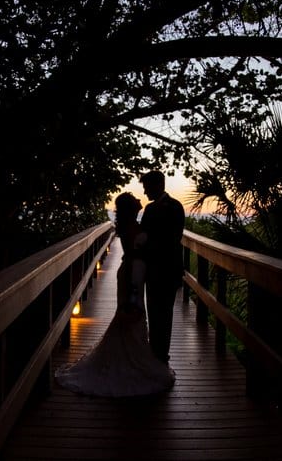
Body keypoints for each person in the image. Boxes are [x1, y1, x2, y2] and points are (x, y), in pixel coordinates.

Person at [54, 192, 175, 397]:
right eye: (134, 198)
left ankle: (127, 352)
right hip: (132, 273)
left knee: (129, 315)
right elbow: (139, 251)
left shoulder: (130, 224)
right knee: (132, 311)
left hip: (132, 270)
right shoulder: (132, 227)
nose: (139, 199)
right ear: (131, 206)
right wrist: (135, 288)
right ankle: (129, 360)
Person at [139, 170, 185, 364]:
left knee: (164, 314)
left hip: (167, 269)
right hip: (152, 270)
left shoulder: (175, 207)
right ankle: (154, 352)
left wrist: (148, 245)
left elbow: (174, 238)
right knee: (153, 311)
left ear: (158, 185)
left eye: (147, 187)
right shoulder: (149, 209)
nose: (145, 192)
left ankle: (161, 355)